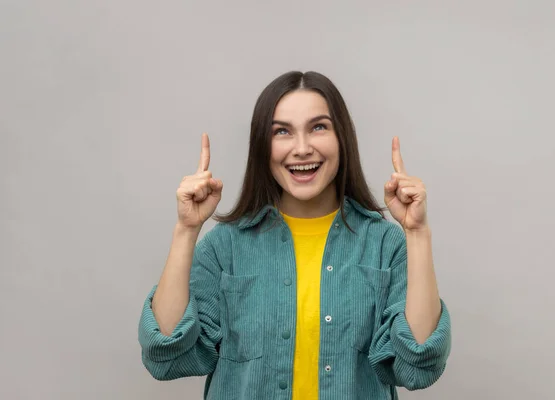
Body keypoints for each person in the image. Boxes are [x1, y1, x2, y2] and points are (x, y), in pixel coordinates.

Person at [138, 71, 451, 399]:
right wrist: (186, 230)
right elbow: (167, 355)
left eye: (318, 127)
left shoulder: (384, 245)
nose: (302, 148)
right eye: (282, 132)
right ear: (263, 146)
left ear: (341, 138)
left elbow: (418, 365)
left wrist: (417, 233)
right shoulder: (225, 246)